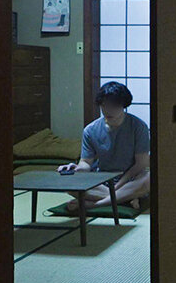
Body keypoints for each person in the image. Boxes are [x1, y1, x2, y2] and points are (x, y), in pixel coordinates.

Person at [57, 81, 151, 211]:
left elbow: (141, 164)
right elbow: (86, 163)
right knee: (68, 181)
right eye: (104, 105)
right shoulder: (90, 130)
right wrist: (76, 169)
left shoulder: (138, 127)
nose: (108, 110)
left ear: (123, 105)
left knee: (149, 179)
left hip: (129, 180)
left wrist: (117, 187)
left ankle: (94, 204)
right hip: (102, 181)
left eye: (114, 106)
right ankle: (125, 198)